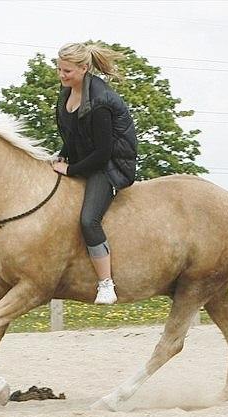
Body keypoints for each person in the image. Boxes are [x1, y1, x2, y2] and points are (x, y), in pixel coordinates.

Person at [51, 42, 138, 305]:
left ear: (84, 68)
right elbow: (73, 133)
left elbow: (102, 152)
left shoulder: (100, 101)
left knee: (89, 220)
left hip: (109, 167)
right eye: (59, 69)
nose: (62, 75)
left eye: (67, 71)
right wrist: (61, 154)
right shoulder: (67, 92)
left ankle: (106, 284)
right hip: (86, 160)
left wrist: (71, 169)